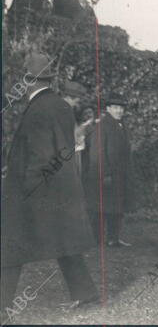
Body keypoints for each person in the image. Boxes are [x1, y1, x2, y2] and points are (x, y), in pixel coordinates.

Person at [1, 52, 98, 311]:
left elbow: (42, 155)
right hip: (60, 188)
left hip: (36, 189)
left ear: (28, 80)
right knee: (64, 240)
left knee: (9, 244)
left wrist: (24, 186)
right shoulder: (61, 105)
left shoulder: (37, 110)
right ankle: (85, 291)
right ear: (49, 80)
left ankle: (1, 304)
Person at [84, 93, 133, 247]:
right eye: (116, 108)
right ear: (108, 108)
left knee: (116, 207)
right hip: (105, 175)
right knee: (100, 208)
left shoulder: (122, 125)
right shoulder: (102, 126)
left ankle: (113, 239)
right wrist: (105, 174)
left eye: (121, 108)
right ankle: (96, 240)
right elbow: (97, 153)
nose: (119, 111)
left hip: (119, 174)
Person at [60, 81, 91, 179]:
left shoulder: (68, 111)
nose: (75, 105)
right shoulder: (62, 112)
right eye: (76, 101)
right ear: (68, 98)